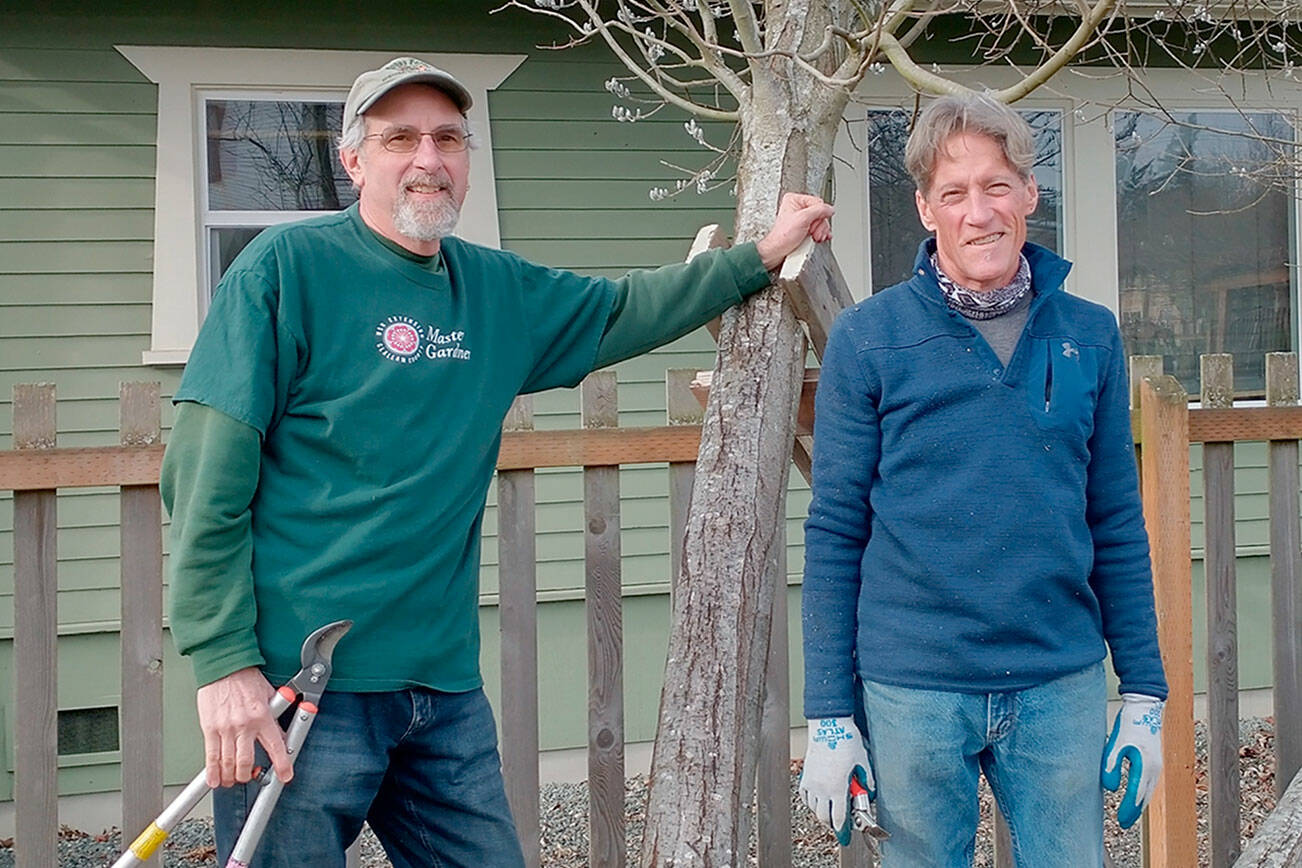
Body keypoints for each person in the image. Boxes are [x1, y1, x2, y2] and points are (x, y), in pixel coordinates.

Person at [160, 55, 833, 868]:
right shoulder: (285, 273)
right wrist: (223, 663)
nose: (427, 158)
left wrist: (759, 255)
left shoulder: (493, 292)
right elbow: (205, 476)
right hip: (299, 690)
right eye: (399, 137)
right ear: (352, 159)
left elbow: (624, 310)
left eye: (448, 138)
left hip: (439, 692)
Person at [797, 92, 1168, 866]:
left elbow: (1116, 521)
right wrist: (831, 715)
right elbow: (835, 530)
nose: (980, 212)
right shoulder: (870, 340)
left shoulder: (1089, 335)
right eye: (955, 193)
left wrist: (1144, 694)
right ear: (927, 208)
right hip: (913, 690)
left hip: (1058, 682)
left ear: (1031, 194)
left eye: (997, 186)